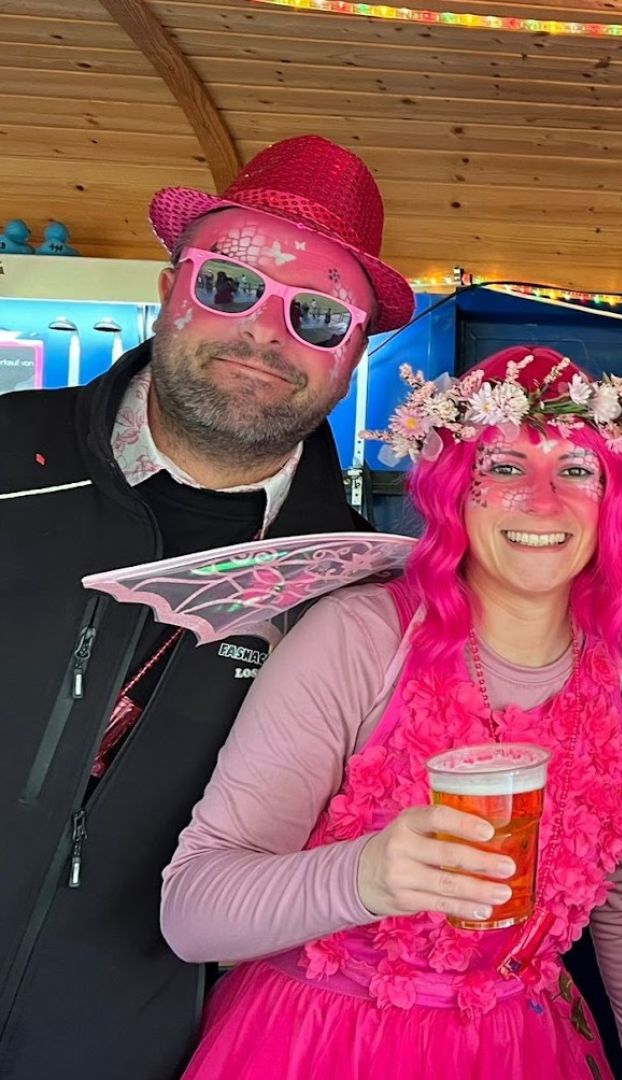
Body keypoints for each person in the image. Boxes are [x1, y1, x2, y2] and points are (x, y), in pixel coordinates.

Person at [0, 135, 414, 1079]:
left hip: (141, 1046)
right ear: (169, 287)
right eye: (231, 286)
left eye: (318, 315)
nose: (266, 333)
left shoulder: (357, 589)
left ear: (354, 355)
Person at [161, 346, 622, 1079]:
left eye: (576, 470)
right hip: (325, 1046)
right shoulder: (361, 638)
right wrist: (366, 876)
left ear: (613, 498)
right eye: (503, 467)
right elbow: (192, 912)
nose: (543, 502)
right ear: (453, 490)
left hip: (525, 1047)